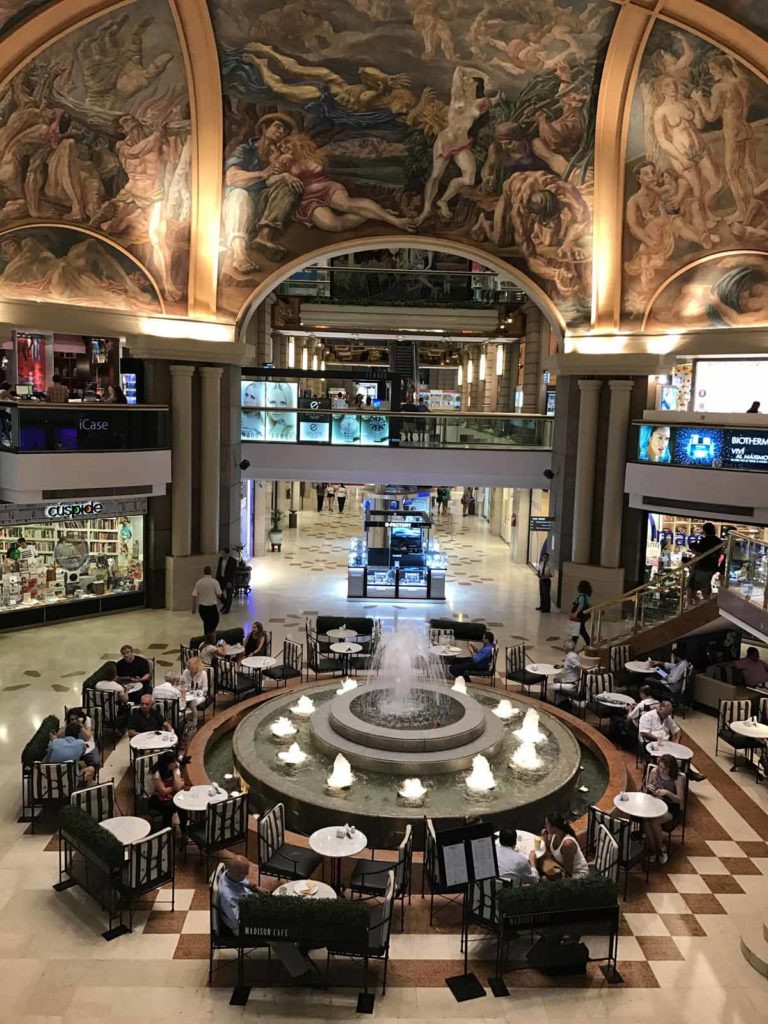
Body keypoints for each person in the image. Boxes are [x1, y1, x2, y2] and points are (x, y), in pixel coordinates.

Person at [644, 754, 685, 864]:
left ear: (671, 768)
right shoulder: (654, 771)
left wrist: (667, 793)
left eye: (665, 769)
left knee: (655, 821)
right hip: (655, 803)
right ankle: (654, 849)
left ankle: (661, 848)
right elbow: (647, 786)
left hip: (671, 807)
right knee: (646, 821)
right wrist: (649, 787)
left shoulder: (677, 778)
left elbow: (680, 800)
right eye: (660, 767)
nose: (662, 770)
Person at [217, 855, 268, 933]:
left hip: (247, 902)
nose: (247, 874)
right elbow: (236, 922)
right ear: (237, 874)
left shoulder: (229, 874)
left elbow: (244, 881)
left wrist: (256, 887)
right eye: (245, 873)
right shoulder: (228, 897)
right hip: (242, 927)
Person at [535, 815, 589, 880]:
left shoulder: (567, 844)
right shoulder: (554, 835)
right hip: (562, 868)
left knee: (544, 878)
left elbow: (568, 872)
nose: (544, 826)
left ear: (554, 827)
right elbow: (551, 852)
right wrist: (545, 839)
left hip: (577, 874)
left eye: (546, 824)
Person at [147, 752, 187, 836]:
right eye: (173, 762)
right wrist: (174, 787)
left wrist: (174, 772)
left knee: (182, 804)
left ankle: (184, 829)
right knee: (169, 806)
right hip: (155, 797)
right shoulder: (157, 773)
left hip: (170, 795)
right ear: (167, 764)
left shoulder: (174, 769)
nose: (175, 764)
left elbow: (178, 786)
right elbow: (163, 791)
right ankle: (166, 831)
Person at [688, 522, 722, 601]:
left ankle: (695, 602)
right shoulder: (718, 541)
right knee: (706, 584)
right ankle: (705, 602)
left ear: (705, 531)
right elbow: (719, 554)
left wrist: (694, 552)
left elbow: (700, 553)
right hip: (713, 566)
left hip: (703, 566)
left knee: (693, 585)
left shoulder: (705, 540)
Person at [179, 656, 210, 725]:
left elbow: (205, 689)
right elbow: (181, 684)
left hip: (199, 696)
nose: (190, 670)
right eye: (189, 667)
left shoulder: (203, 674)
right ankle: (183, 720)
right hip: (187, 694)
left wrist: (199, 692)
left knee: (192, 703)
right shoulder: (186, 672)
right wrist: (184, 688)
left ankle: (194, 720)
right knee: (181, 701)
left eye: (192, 668)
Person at [192, 566, 222, 635]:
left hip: (202, 607)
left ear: (204, 572)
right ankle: (210, 636)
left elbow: (194, 595)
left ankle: (207, 637)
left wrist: (193, 608)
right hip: (212, 607)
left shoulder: (199, 582)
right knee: (215, 621)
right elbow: (219, 594)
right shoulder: (215, 582)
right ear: (211, 572)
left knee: (206, 623)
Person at [569, 580, 592, 650]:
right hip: (584, 616)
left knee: (578, 630)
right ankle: (587, 643)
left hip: (580, 615)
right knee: (580, 630)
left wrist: (575, 614)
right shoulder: (588, 596)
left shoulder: (582, 596)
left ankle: (588, 643)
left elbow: (580, 605)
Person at [216, 547, 238, 615]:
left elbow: (233, 572)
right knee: (219, 593)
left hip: (229, 580)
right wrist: (216, 579)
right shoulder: (220, 559)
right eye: (221, 553)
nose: (221, 554)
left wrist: (230, 582)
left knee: (229, 595)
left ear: (227, 553)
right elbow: (218, 569)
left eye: (223, 553)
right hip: (221, 579)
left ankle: (227, 608)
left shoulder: (233, 561)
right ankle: (225, 604)